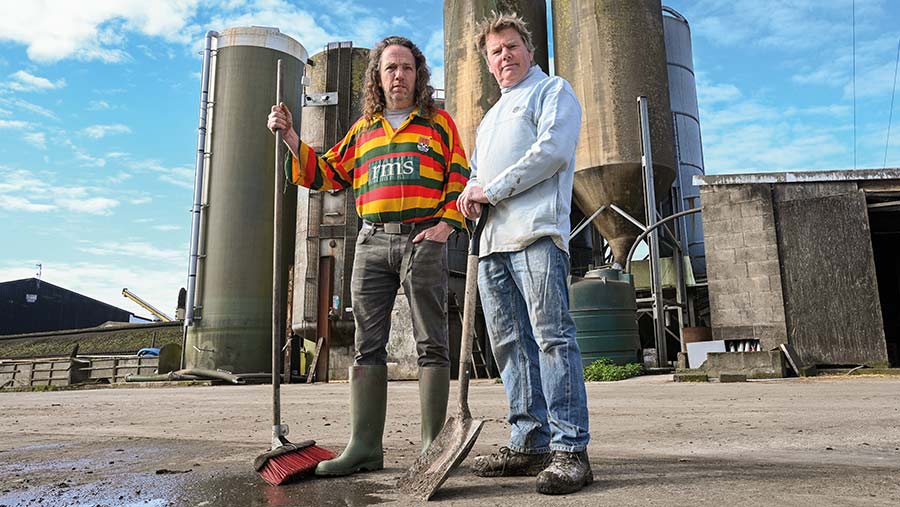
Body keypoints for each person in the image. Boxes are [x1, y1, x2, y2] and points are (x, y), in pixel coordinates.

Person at [267, 35, 469, 477]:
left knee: (432, 344)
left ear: (419, 76)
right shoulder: (363, 130)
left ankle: (432, 449)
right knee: (366, 346)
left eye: (407, 68)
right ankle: (364, 447)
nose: (399, 75)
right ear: (378, 76)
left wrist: (444, 226)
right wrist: (290, 137)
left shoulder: (439, 125)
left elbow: (460, 177)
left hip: (423, 242)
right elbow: (323, 173)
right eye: (391, 68)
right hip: (372, 243)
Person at [456, 12, 591, 495]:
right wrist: (469, 193)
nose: (504, 56)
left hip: (535, 234)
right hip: (490, 243)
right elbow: (476, 174)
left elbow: (553, 151)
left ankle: (570, 450)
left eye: (511, 46)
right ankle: (529, 440)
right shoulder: (491, 117)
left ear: (529, 51)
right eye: (495, 52)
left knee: (552, 339)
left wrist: (491, 189)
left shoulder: (552, 91)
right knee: (510, 346)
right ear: (488, 64)